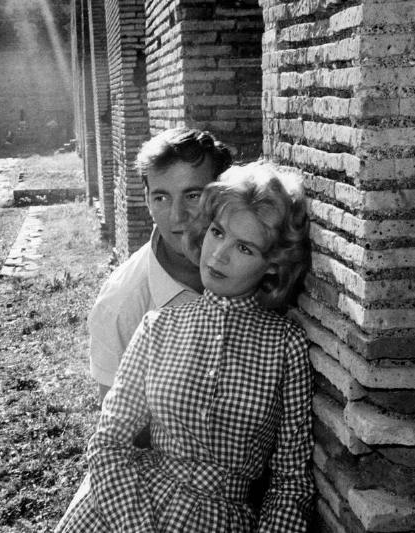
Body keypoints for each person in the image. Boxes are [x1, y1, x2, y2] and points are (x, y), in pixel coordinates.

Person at [57, 162, 314, 532]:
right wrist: (136, 527)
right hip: (126, 509)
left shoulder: (285, 346)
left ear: (272, 265)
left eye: (244, 247)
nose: (218, 254)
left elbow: (291, 482)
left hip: (221, 519)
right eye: (217, 232)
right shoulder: (158, 327)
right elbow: (109, 442)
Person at [88, 127, 233, 407]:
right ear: (146, 200)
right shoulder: (120, 306)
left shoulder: (255, 267)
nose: (177, 217)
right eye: (161, 198)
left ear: (221, 194)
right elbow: (118, 433)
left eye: (193, 196)